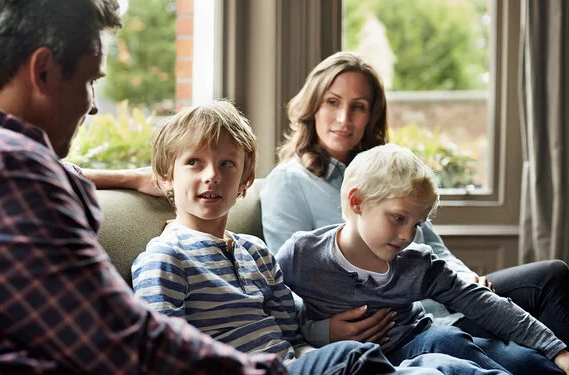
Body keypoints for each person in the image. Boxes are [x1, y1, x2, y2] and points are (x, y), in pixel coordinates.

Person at [0, 1, 291, 373]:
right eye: (91, 80)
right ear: (42, 71)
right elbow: (120, 341)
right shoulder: (10, 174)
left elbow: (63, 174)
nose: (92, 107)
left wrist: (130, 177)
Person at [130, 100, 506, 375]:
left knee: (439, 363)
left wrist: (317, 349)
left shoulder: (256, 253)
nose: (211, 175)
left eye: (227, 164)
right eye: (193, 162)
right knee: (352, 358)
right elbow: (160, 356)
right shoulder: (165, 258)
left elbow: (292, 330)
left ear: (245, 181)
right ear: (166, 177)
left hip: (297, 365)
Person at [258, 50, 569, 350]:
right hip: (398, 329)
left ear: (372, 115)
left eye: (359, 106)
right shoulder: (288, 183)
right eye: (332, 102)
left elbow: (434, 247)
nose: (344, 117)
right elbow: (285, 285)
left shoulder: (386, 171)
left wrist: (464, 277)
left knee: (551, 276)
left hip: (445, 304)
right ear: (313, 107)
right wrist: (323, 331)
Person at [275, 143, 569, 375]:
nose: (407, 236)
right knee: (449, 343)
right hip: (367, 361)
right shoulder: (300, 255)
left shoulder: (416, 264)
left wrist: (557, 350)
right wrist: (321, 331)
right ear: (356, 202)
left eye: (417, 224)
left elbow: (484, 303)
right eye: (399, 218)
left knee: (518, 358)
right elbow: (275, 312)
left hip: (422, 339)